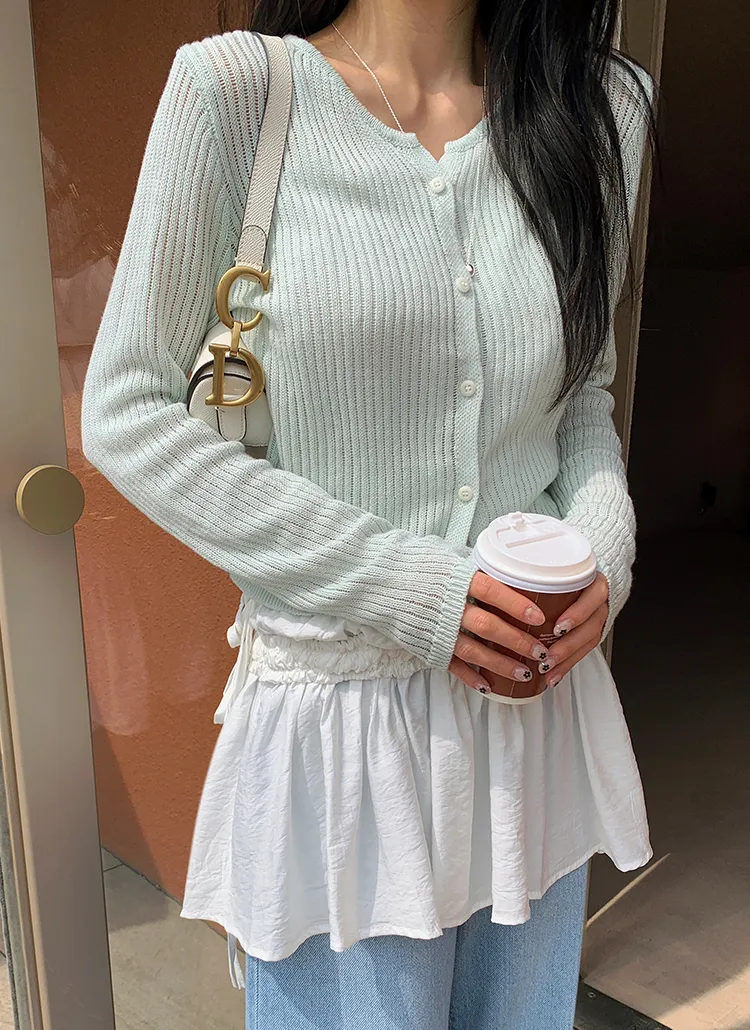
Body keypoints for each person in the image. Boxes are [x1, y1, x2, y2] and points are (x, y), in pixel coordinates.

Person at [80, 1, 659, 1027]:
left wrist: (603, 555)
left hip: (533, 732)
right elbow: (128, 411)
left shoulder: (600, 107)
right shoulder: (239, 98)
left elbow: (583, 400)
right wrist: (410, 587)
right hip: (340, 745)